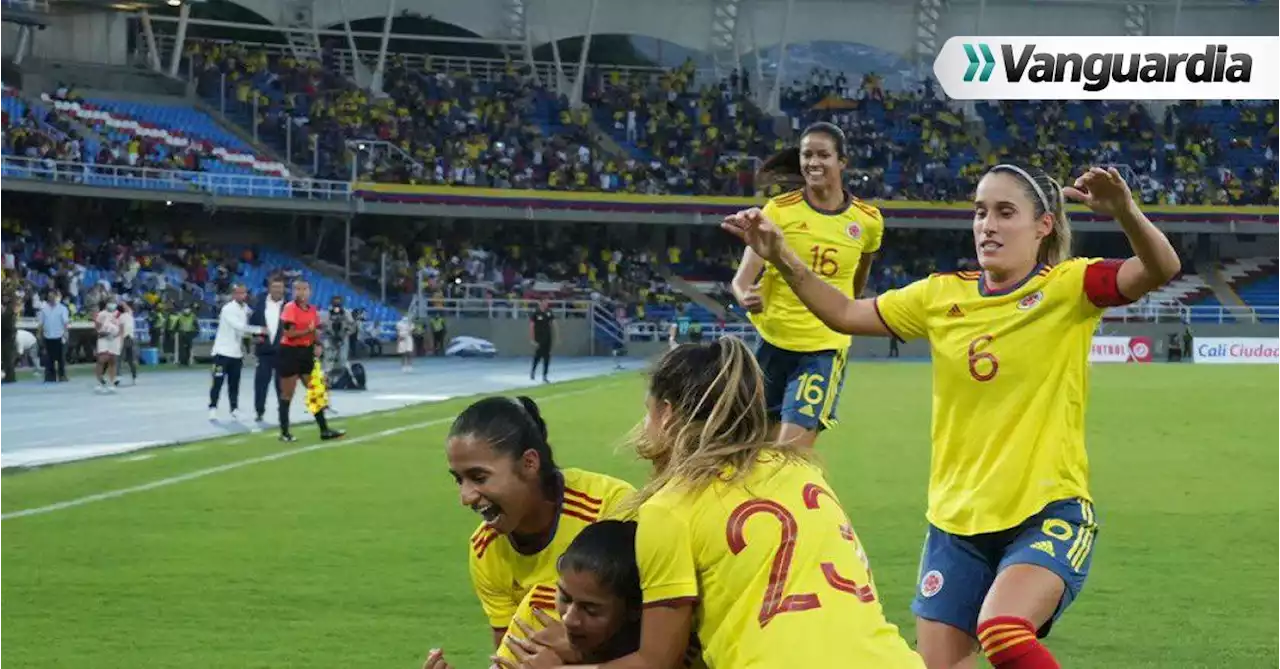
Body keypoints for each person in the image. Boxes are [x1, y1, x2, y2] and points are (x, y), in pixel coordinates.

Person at [722, 164, 1181, 669]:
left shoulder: (1071, 286)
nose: (988, 225)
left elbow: (1159, 268)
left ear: (1043, 226)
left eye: (1006, 213)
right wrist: (782, 256)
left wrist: (1125, 211)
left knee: (1005, 631)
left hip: (1046, 512)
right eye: (980, 212)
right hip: (955, 524)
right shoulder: (941, 295)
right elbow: (845, 314)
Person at [570, 338, 921, 669]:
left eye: (648, 413)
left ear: (667, 413)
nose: (645, 425)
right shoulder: (801, 470)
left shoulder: (669, 508)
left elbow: (656, 660)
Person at [730, 121, 883, 450]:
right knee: (759, 452)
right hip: (772, 343)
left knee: (791, 454)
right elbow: (742, 280)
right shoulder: (779, 211)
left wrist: (842, 314)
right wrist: (746, 297)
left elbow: (858, 280)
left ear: (842, 162)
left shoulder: (868, 221)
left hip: (822, 348)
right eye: (807, 155)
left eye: (823, 155)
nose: (813, 162)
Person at [446, 396, 634, 651]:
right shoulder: (486, 550)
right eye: (459, 480)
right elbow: (511, 658)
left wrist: (573, 654)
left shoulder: (611, 508)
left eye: (478, 477)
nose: (466, 497)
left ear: (529, 463)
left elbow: (657, 636)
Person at [276, 280, 344, 442]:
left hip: (306, 353)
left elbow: (316, 332)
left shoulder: (313, 310)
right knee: (287, 394)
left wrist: (317, 343)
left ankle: (324, 430)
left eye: (304, 289)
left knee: (315, 391)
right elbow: (289, 334)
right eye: (298, 289)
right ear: (293, 292)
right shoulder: (289, 308)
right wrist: (309, 331)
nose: (301, 292)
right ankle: (284, 432)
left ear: (310, 292)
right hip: (290, 353)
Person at [209, 284, 263, 421]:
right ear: (233, 295)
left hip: (236, 353)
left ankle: (234, 408)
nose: (241, 295)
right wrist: (259, 330)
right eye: (238, 293)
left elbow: (245, 328)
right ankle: (213, 407)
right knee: (218, 382)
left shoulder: (245, 308)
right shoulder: (228, 309)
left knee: (234, 383)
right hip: (222, 352)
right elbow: (239, 326)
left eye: (243, 293)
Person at [251, 276, 286, 423]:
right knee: (260, 383)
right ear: (269, 288)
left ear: (283, 289)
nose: (277, 290)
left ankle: (283, 412)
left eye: (280, 287)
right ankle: (259, 411)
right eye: (274, 287)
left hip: (283, 352)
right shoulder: (260, 305)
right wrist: (255, 335)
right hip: (264, 352)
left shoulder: (290, 306)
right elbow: (252, 324)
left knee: (283, 385)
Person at [37, 289, 69, 383]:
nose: (50, 298)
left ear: (56, 297)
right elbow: (41, 323)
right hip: (48, 336)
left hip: (59, 336)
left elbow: (65, 323)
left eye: (52, 296)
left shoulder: (62, 308)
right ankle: (50, 377)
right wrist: (39, 334)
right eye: (49, 296)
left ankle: (62, 375)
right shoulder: (44, 309)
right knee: (49, 359)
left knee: (61, 358)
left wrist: (66, 333)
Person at [93, 298, 122, 393]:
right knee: (102, 359)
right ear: (106, 304)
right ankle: (99, 382)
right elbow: (97, 328)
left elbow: (121, 328)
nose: (112, 304)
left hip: (114, 339)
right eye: (110, 303)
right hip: (103, 338)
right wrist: (104, 333)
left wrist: (116, 335)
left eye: (113, 302)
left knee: (112, 360)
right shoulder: (102, 314)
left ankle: (112, 382)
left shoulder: (118, 314)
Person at [529, 300, 555, 383]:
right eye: (544, 303)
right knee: (538, 356)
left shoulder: (549, 312)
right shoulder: (536, 313)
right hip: (539, 338)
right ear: (540, 304)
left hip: (548, 337)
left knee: (547, 357)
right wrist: (532, 339)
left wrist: (557, 336)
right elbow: (532, 326)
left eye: (546, 303)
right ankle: (533, 372)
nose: (545, 304)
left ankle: (545, 375)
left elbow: (553, 323)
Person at [117, 301, 138, 386]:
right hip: (131, 339)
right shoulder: (130, 315)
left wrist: (120, 343)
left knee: (119, 360)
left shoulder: (121, 317)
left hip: (124, 338)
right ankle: (134, 378)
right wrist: (123, 303)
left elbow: (121, 330)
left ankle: (118, 377)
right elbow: (129, 309)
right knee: (131, 360)